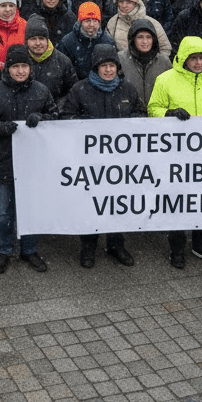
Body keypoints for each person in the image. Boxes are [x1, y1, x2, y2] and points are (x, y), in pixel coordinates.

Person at [60, 42, 144, 268]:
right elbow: (66, 118)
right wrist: (87, 127)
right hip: (90, 163)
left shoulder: (127, 89)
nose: (108, 70)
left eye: (112, 65)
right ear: (96, 67)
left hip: (120, 163)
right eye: (104, 66)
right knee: (91, 204)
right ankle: (88, 247)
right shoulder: (80, 90)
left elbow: (140, 114)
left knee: (118, 204)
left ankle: (116, 244)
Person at [0, 43, 58, 275]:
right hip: (5, 161)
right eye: (16, 67)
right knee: (4, 211)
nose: (20, 71)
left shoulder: (41, 91)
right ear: (8, 69)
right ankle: (4, 250)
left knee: (31, 208)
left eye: (24, 66)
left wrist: (40, 118)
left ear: (30, 68)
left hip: (33, 162)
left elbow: (55, 117)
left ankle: (29, 249)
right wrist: (2, 127)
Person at [147, 37, 202, 269]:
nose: (198, 62)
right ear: (183, 58)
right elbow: (153, 109)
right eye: (193, 58)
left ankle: (201, 245)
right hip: (176, 153)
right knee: (177, 200)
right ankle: (176, 248)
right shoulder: (165, 80)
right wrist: (170, 112)